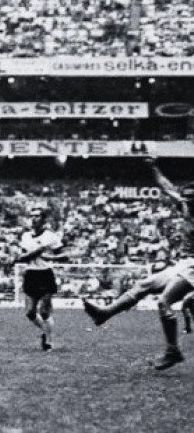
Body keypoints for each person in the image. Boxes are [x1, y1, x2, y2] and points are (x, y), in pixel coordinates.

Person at [83, 157, 194, 370]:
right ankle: (104, 313)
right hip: (186, 263)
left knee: (164, 302)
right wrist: (153, 167)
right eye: (186, 200)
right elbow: (165, 186)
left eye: (191, 201)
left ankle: (173, 351)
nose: (187, 204)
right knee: (144, 285)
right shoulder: (184, 206)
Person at [15, 207, 67, 351]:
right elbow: (22, 257)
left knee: (44, 311)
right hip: (31, 273)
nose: (34, 219)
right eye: (32, 216)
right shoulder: (25, 236)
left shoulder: (50, 236)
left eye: (37, 216)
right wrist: (37, 251)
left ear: (43, 219)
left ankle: (48, 341)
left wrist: (50, 256)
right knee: (30, 312)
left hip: (45, 273)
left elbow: (63, 255)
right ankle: (45, 332)